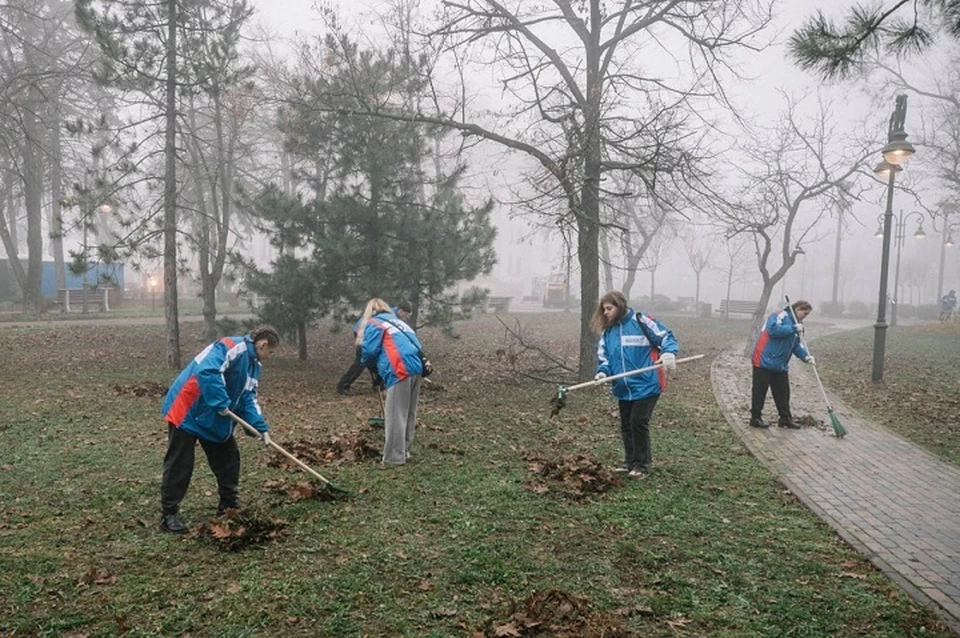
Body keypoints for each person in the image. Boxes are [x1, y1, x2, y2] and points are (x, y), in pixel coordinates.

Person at [158, 325, 280, 533]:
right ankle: (169, 514)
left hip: (214, 416)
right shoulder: (230, 346)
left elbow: (248, 398)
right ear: (263, 344)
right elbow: (207, 371)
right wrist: (220, 401)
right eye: (271, 352)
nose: (270, 356)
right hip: (188, 408)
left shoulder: (254, 366)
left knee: (228, 458)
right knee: (180, 462)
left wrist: (259, 427)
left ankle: (228, 505)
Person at [592, 291, 679, 480]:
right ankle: (630, 461)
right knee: (626, 425)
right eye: (604, 309)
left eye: (609, 308)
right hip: (623, 387)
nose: (605, 312)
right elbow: (605, 358)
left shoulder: (641, 321)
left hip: (647, 383)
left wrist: (668, 353)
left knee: (638, 421)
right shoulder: (608, 332)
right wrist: (603, 372)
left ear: (620, 305)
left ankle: (642, 465)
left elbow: (666, 337)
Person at [359, 298, 424, 465]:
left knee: (395, 414)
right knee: (408, 412)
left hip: (399, 368)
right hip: (417, 367)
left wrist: (370, 368)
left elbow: (369, 351)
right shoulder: (399, 322)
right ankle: (405, 450)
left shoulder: (375, 323)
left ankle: (394, 458)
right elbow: (416, 344)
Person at [749, 300, 814, 430]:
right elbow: (772, 330)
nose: (805, 317)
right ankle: (755, 418)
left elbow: (795, 345)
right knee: (759, 391)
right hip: (763, 360)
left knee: (783, 393)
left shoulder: (798, 325)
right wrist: (793, 328)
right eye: (805, 313)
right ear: (798, 309)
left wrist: (805, 357)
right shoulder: (780, 315)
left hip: (780, 365)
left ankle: (785, 419)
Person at [337, 301, 413, 395]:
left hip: (368, 331)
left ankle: (378, 385)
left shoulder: (391, 313)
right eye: (406, 314)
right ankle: (343, 385)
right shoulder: (391, 315)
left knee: (375, 360)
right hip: (363, 332)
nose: (406, 317)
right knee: (361, 361)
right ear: (401, 310)